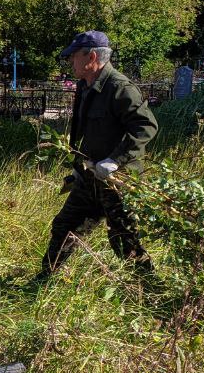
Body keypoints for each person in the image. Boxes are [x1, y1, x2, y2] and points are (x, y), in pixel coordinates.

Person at [41, 30, 157, 275]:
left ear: (91, 56)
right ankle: (45, 281)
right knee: (65, 226)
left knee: (124, 239)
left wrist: (115, 160)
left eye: (74, 56)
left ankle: (148, 291)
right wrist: (77, 163)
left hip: (118, 180)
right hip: (90, 176)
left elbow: (146, 126)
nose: (71, 61)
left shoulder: (119, 88)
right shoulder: (85, 86)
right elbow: (85, 131)